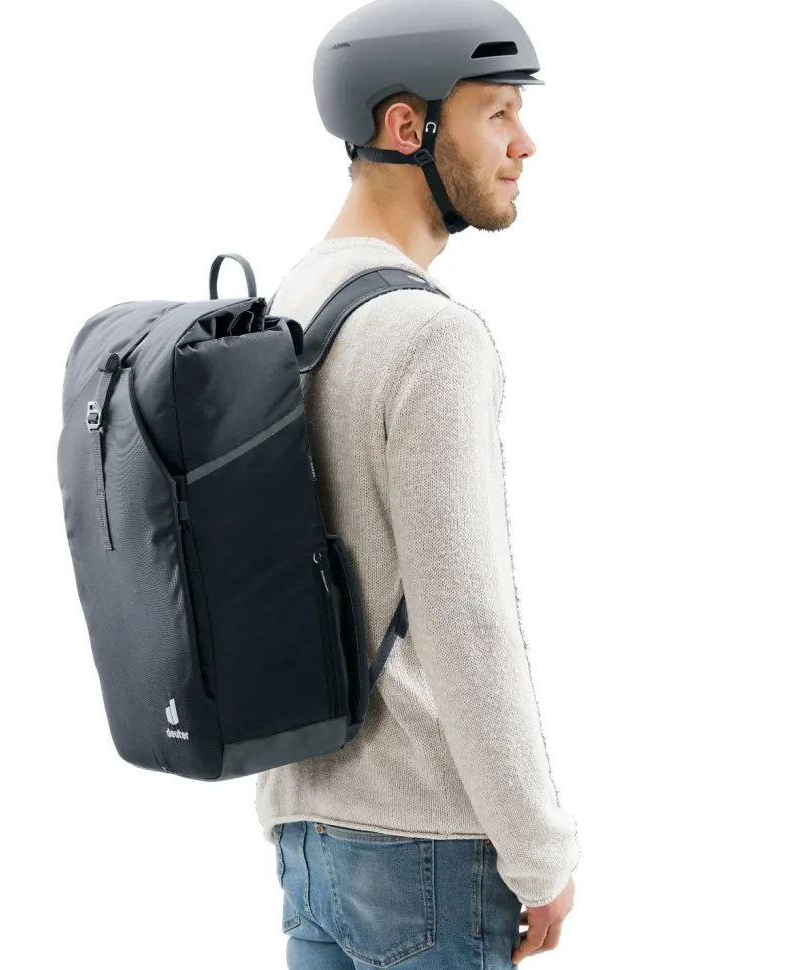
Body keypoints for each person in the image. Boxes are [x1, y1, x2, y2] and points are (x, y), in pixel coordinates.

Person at [256, 2, 579, 966]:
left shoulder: (287, 307)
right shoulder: (430, 337)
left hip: (306, 832)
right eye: (498, 112)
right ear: (409, 126)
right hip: (426, 850)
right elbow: (465, 621)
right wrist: (540, 852)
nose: (525, 143)